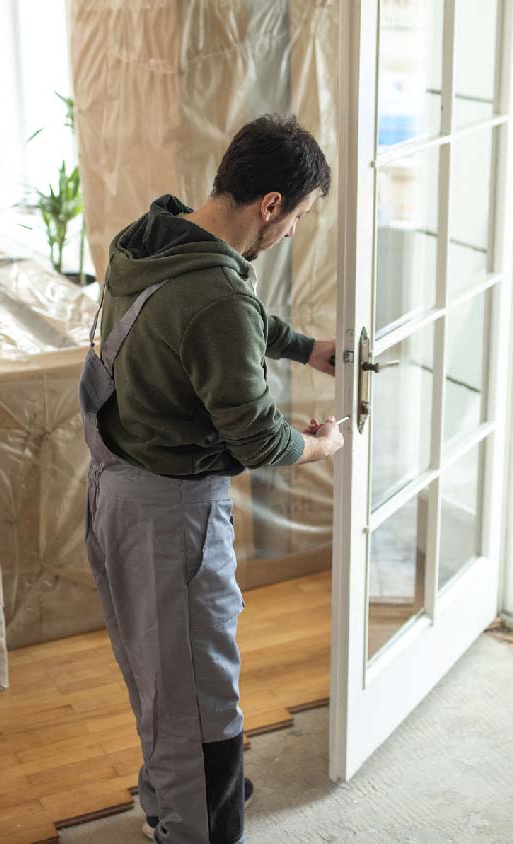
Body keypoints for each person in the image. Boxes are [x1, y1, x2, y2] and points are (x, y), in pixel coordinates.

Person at [80, 114, 342, 844]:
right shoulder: (218, 296)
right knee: (198, 694)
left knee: (158, 676)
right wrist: (323, 447)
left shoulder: (153, 238)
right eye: (297, 217)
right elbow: (257, 436)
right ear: (269, 205)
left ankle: (168, 801)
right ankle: (195, 827)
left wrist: (303, 347)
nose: (293, 232)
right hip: (171, 515)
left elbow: (214, 318)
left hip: (115, 490)